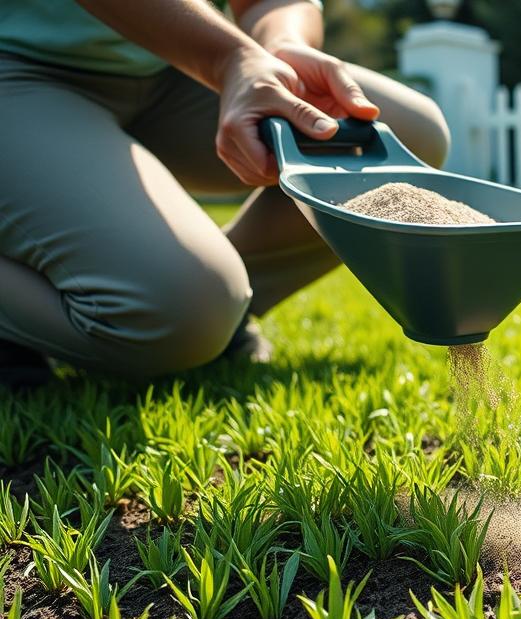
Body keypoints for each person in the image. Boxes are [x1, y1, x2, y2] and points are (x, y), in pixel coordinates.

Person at [0, 0, 451, 387]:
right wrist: (228, 58)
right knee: (175, 309)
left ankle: (224, 311)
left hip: (166, 67)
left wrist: (277, 47)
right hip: (18, 68)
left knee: (407, 135)